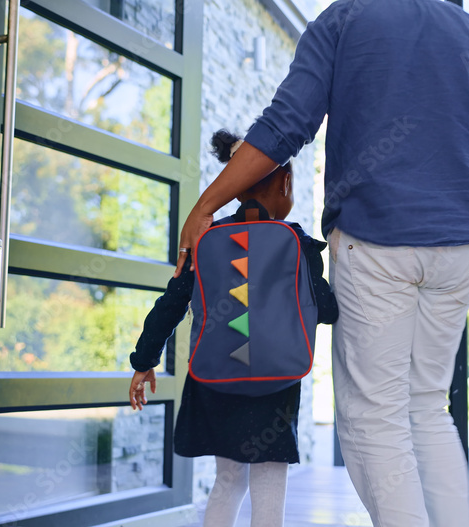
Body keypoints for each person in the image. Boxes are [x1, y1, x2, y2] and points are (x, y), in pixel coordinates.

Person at [172, 1, 469, 526]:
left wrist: (206, 205)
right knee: (428, 409)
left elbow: (284, 129)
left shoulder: (344, 20)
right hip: (459, 249)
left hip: (376, 239)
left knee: (375, 422)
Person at [128, 130, 338, 527]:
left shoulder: (205, 241)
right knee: (269, 477)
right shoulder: (298, 243)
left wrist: (144, 361)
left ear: (236, 188)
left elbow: (170, 305)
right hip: (275, 381)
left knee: (227, 479)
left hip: (216, 379)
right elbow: (326, 310)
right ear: (287, 183)